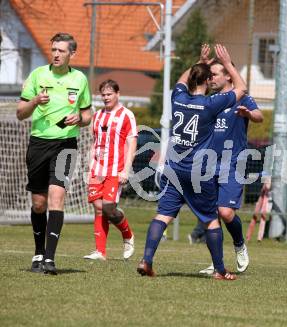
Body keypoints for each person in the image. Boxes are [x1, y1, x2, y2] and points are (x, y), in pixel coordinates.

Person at [137, 44, 247, 280]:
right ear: (208, 80)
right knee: (210, 220)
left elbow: (180, 80)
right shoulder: (210, 105)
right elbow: (242, 88)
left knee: (163, 216)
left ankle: (146, 260)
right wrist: (227, 64)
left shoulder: (178, 98)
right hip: (198, 172)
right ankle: (219, 270)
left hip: (174, 168)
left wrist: (200, 61)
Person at [17, 33, 92, 275]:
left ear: (72, 53)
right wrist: (35, 101)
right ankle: (38, 252)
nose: (56, 54)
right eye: (54, 50)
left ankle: (50, 259)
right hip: (38, 144)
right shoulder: (38, 75)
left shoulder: (80, 79)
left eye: (61, 50)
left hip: (66, 145)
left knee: (57, 198)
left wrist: (79, 119)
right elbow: (20, 113)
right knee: (39, 204)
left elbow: (88, 115)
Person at [198, 59, 264, 275]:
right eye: (209, 75)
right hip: (208, 163)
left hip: (233, 163)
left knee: (225, 212)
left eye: (215, 74)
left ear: (228, 75)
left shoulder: (241, 98)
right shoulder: (210, 101)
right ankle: (216, 263)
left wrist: (248, 114)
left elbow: (259, 117)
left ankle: (239, 244)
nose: (210, 78)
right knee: (210, 216)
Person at [83, 79, 136, 261]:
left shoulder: (127, 115)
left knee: (108, 208)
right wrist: (90, 166)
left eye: (109, 94)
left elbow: (132, 143)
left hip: (116, 169)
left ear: (117, 94)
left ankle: (127, 235)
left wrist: (126, 171)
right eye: (103, 95)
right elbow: (93, 143)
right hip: (97, 170)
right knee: (98, 208)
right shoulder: (97, 116)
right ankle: (100, 252)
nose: (106, 98)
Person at [246, 175, 272, 242]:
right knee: (256, 214)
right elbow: (266, 186)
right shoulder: (267, 173)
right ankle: (248, 236)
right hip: (263, 196)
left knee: (263, 216)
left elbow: (268, 187)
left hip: (268, 199)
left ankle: (260, 237)